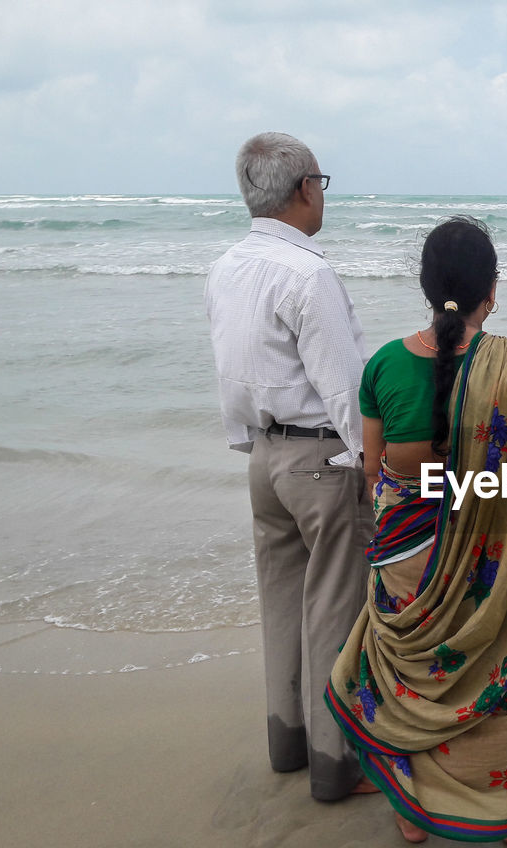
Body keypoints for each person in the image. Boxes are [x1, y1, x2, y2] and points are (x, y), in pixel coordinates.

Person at [325, 216, 507, 844]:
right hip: (498, 555)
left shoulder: (385, 365)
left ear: (425, 287)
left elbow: (374, 469)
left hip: (406, 552)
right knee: (502, 675)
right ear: (492, 292)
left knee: (410, 682)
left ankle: (412, 810)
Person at [206, 132, 373, 801]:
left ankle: (287, 744)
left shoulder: (225, 267)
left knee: (280, 607)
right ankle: (336, 768)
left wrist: (251, 443)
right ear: (306, 189)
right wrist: (372, 463)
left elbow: (231, 369)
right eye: (322, 183)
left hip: (264, 454)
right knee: (335, 609)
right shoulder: (308, 274)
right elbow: (343, 387)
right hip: (318, 457)